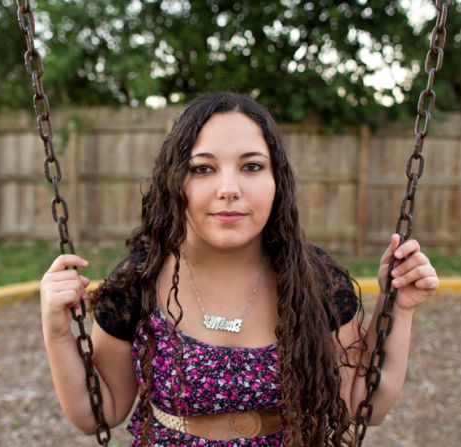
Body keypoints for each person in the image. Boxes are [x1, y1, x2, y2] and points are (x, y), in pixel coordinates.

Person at [39, 91, 439, 446]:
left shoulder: (315, 281)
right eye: (203, 168)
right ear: (174, 182)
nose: (229, 188)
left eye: (251, 167)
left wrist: (397, 307)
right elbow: (100, 414)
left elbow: (361, 405)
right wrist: (58, 333)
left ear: (276, 181)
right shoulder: (139, 281)